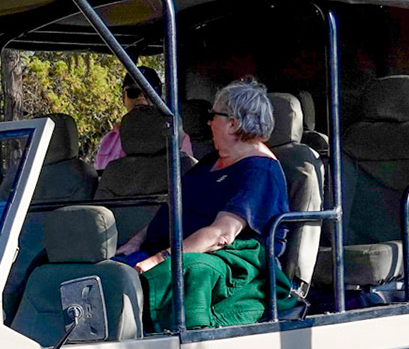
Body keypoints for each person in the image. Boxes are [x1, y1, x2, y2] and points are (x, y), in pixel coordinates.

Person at [116, 77, 292, 327]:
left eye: (213, 115)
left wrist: (159, 259)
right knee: (113, 268)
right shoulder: (210, 162)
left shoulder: (259, 170)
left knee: (182, 272)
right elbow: (173, 211)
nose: (208, 122)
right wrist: (136, 242)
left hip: (234, 264)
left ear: (233, 124)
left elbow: (222, 234)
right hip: (174, 248)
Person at [94, 65, 193, 169]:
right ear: (123, 97)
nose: (141, 98)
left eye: (149, 93)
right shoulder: (109, 140)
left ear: (159, 97)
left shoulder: (176, 137)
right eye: (133, 93)